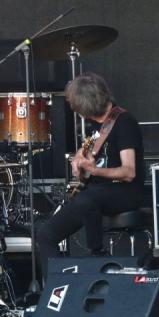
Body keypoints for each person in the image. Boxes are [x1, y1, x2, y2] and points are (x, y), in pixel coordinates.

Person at [35, 72, 144, 281]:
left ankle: (98, 253)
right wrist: (80, 167)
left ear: (84, 106)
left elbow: (129, 172)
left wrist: (94, 171)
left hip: (126, 192)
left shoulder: (124, 122)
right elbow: (91, 165)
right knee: (45, 235)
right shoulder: (97, 127)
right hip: (96, 194)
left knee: (87, 199)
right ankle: (56, 289)